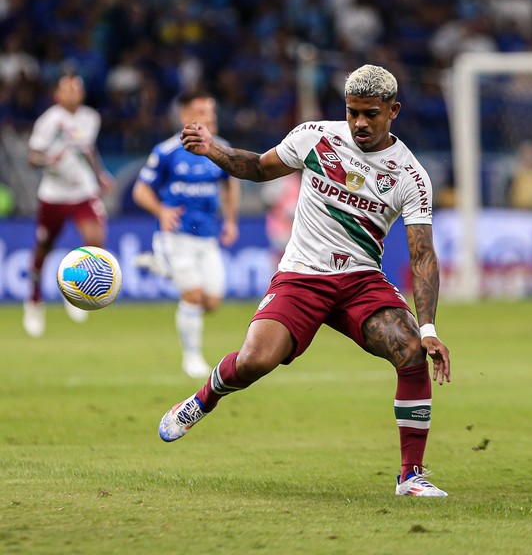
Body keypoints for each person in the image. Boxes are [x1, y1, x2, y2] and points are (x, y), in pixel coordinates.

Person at [157, 65, 452, 497]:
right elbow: (258, 167)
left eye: (371, 114)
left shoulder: (410, 176)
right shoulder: (316, 137)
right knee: (255, 361)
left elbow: (423, 255)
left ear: (394, 110)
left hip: (360, 282)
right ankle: (203, 399)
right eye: (353, 112)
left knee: (409, 349)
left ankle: (411, 476)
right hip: (302, 277)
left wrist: (428, 329)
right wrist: (212, 150)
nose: (360, 123)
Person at [132, 91, 241, 379]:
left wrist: (230, 220)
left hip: (207, 236)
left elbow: (231, 185)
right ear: (185, 118)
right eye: (203, 112)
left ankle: (162, 267)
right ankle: (191, 357)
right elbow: (140, 190)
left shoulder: (222, 149)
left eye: (212, 112)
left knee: (212, 302)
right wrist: (161, 211)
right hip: (175, 235)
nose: (210, 118)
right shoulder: (166, 151)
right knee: (192, 296)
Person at [23, 74, 114, 337]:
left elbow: (87, 150)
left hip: (83, 191)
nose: (73, 93)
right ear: (57, 94)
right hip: (53, 195)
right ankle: (34, 301)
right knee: (43, 249)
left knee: (96, 240)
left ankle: (73, 286)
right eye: (68, 89)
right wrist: (49, 160)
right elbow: (33, 158)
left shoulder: (90, 118)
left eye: (77, 89)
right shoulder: (49, 121)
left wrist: (100, 174)